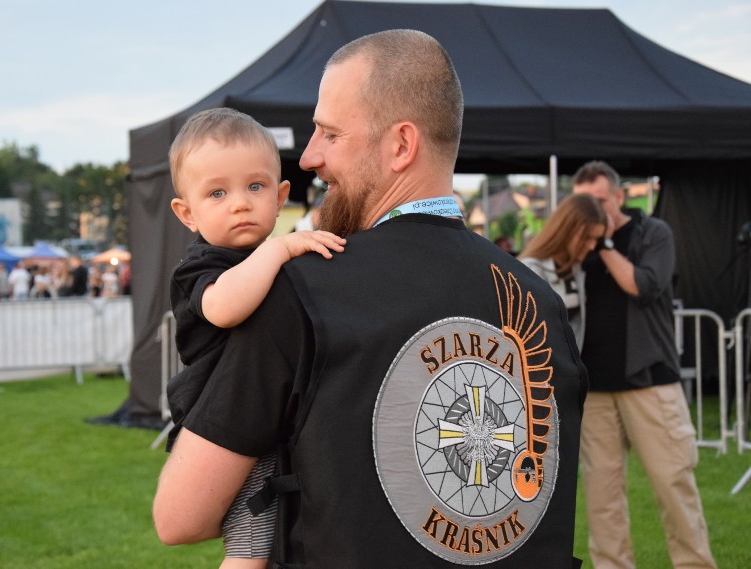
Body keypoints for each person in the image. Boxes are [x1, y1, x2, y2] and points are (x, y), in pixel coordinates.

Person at [154, 30, 588, 568]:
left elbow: (180, 516)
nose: (308, 157)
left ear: (401, 145)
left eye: (329, 134)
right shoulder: (541, 302)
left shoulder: (298, 291)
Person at [163, 107, 345, 569]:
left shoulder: (267, 260)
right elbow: (224, 307)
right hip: (223, 422)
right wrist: (281, 247)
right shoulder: (200, 268)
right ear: (187, 213)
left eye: (256, 187)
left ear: (281, 195)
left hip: (269, 415)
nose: (240, 203)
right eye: (217, 192)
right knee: (252, 544)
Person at [573, 161, 716, 568]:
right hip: (597, 389)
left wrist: (604, 245)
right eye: (582, 203)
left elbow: (643, 287)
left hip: (650, 382)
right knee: (602, 500)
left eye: (598, 201)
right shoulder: (578, 243)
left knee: (674, 487)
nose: (591, 210)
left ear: (619, 196)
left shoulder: (654, 233)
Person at [518, 193, 607, 351]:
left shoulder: (576, 267)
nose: (592, 246)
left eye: (596, 239)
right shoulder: (530, 270)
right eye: (586, 237)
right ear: (566, 229)